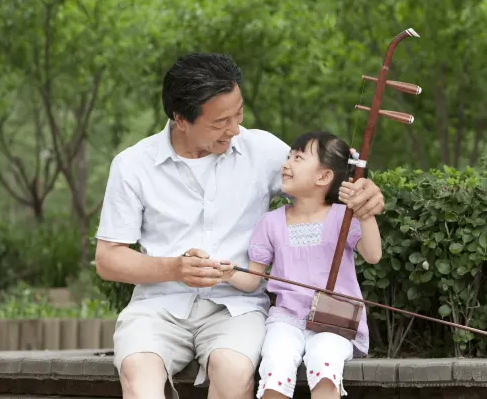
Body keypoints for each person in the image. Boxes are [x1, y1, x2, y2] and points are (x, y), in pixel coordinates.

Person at [94, 53, 385, 399]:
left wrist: (366, 193)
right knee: (138, 375)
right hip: (157, 307)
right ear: (180, 119)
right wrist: (174, 268)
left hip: (237, 307)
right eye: (220, 122)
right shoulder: (132, 165)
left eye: (239, 113)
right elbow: (108, 259)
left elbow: (321, 182)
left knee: (232, 373)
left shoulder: (260, 149)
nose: (234, 129)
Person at [223, 131, 382, 399]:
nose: (286, 164)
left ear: (323, 177)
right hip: (286, 320)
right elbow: (252, 279)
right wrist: (227, 272)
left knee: (325, 363)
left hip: (334, 320)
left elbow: (373, 255)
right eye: (288, 157)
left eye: (298, 157)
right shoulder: (270, 222)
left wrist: (362, 210)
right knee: (275, 363)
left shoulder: (344, 216)